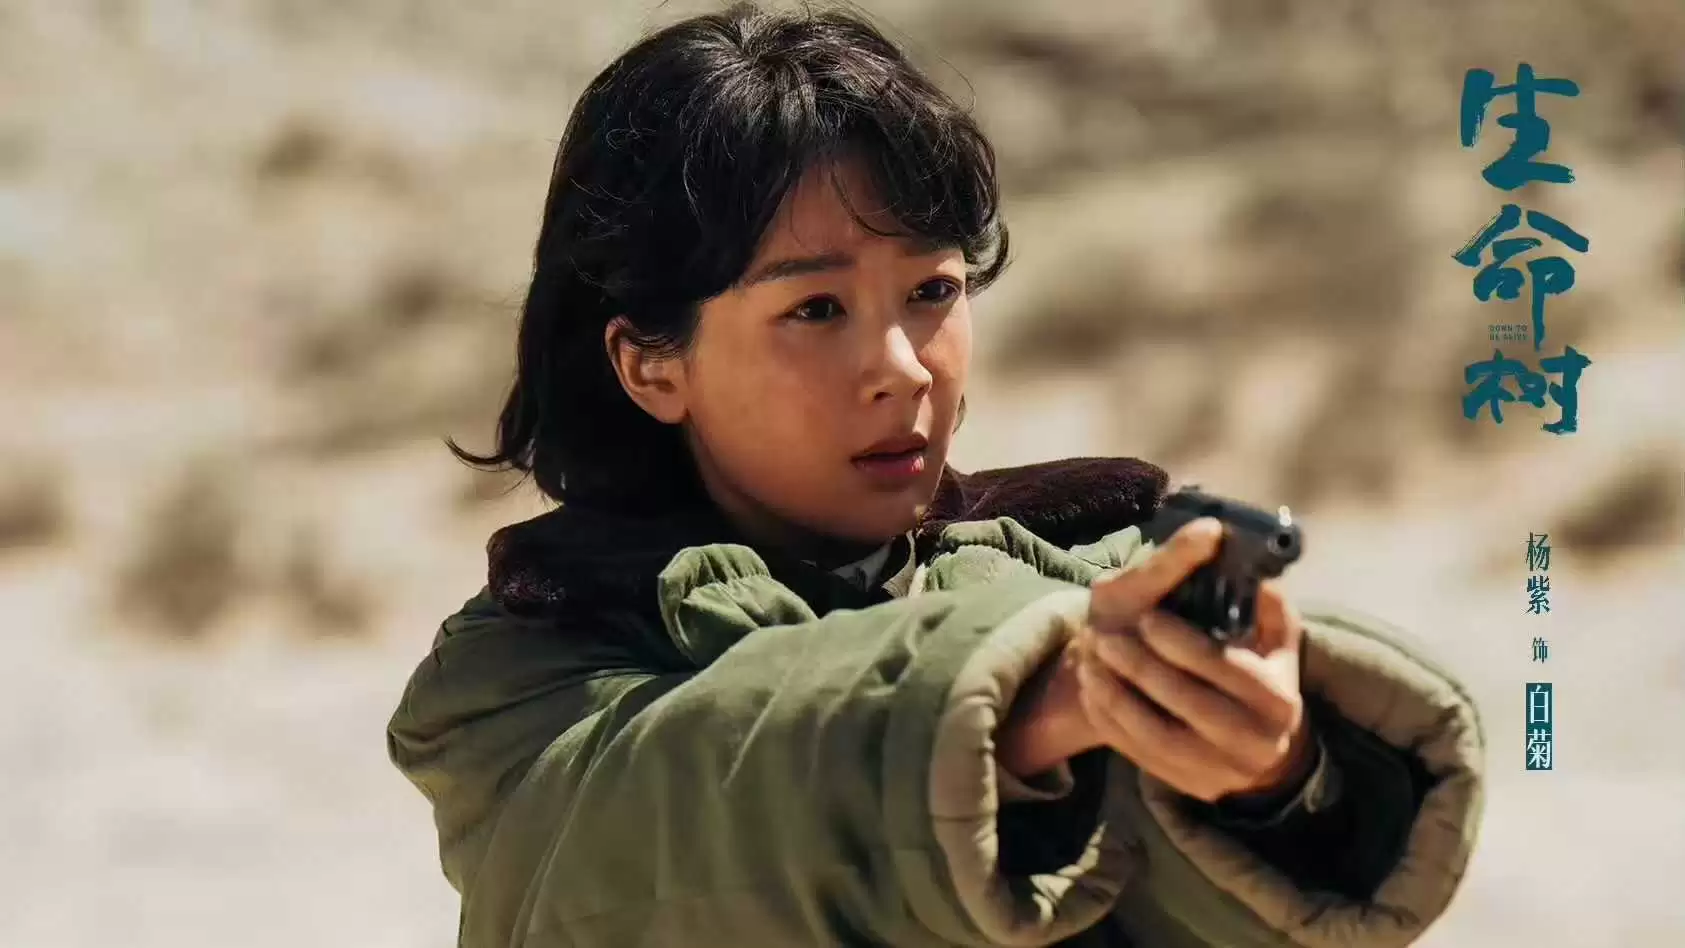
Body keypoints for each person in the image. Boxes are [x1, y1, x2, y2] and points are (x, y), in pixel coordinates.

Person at [385, 4, 1485, 946]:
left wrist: (1274, 781)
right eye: (815, 308)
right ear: (649, 365)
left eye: (932, 293)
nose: (903, 368)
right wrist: (1011, 711)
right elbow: (662, 844)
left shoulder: (1085, 574)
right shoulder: (514, 679)